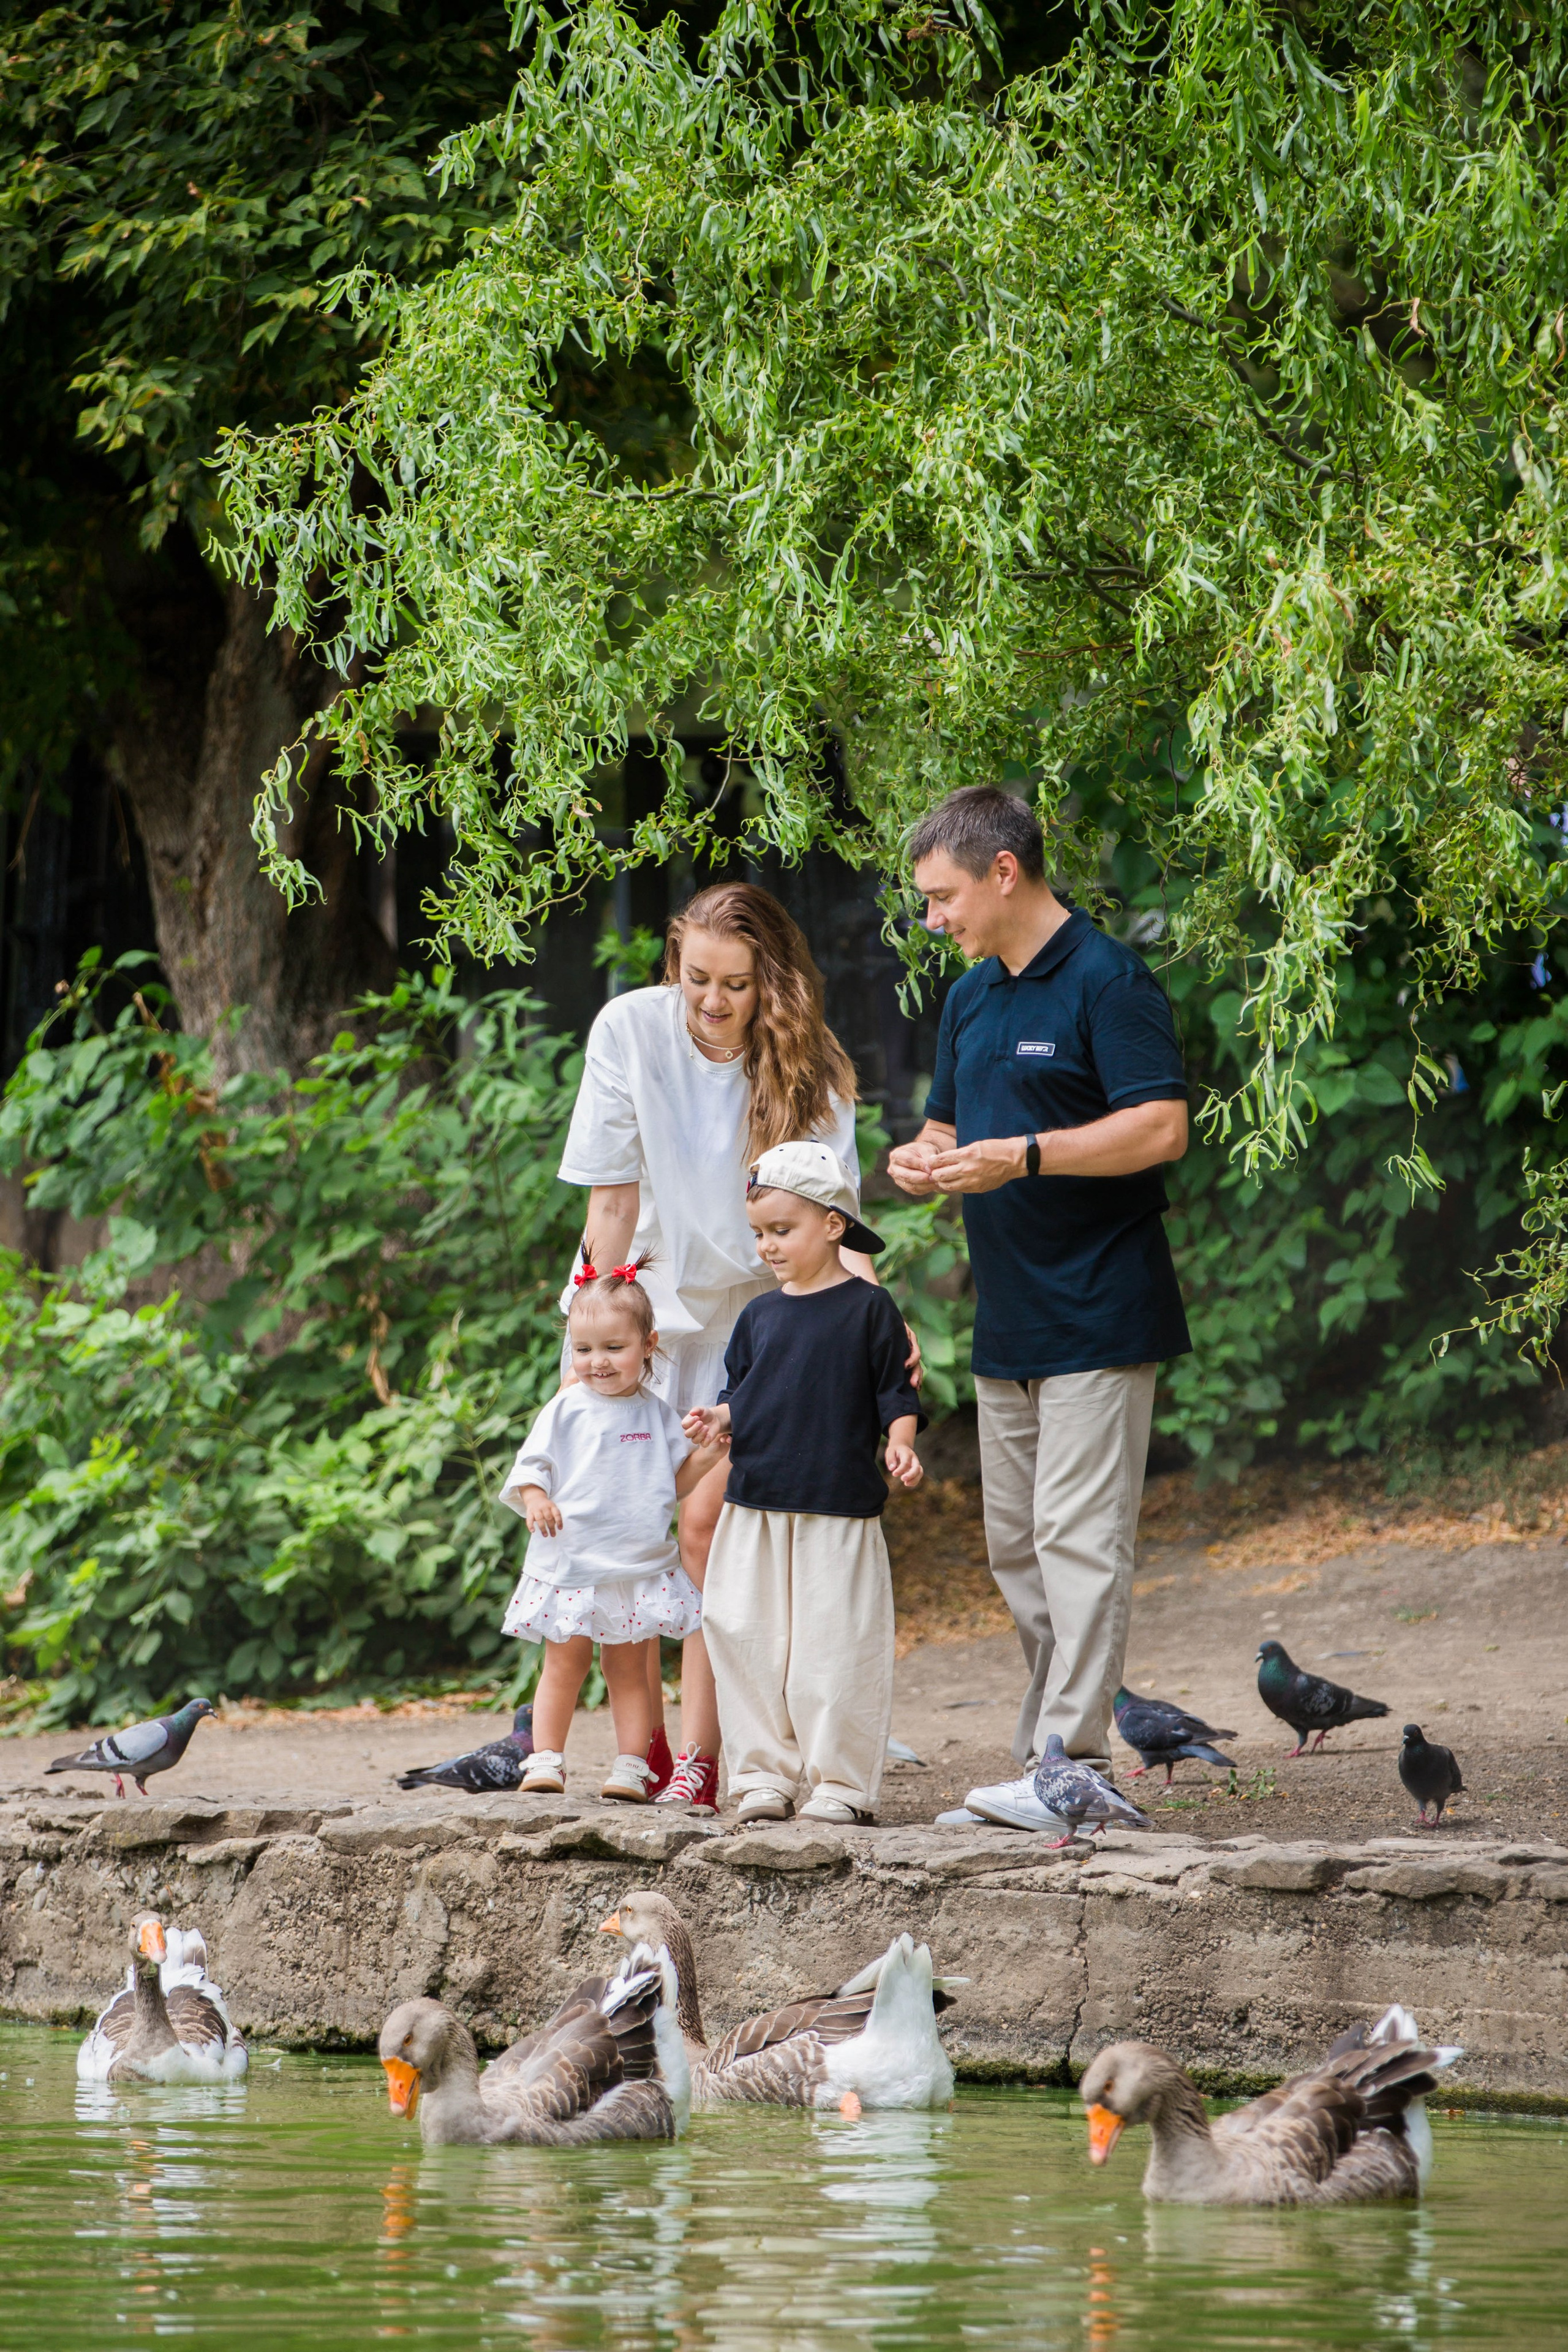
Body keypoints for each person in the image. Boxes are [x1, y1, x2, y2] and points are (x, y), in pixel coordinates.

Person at [555, 881, 918, 1811]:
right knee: (621, 1519)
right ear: (674, 961)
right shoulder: (630, 1031)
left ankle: (712, 1757)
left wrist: (883, 1322)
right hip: (640, 1300)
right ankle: (644, 1747)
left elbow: (830, 1224)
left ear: (774, 987)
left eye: (736, 986)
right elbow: (610, 1202)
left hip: (761, 1317)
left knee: (711, 1532)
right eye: (694, 977)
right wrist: (589, 1347)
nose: (711, 1002)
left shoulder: (809, 1071)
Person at [888, 786, 1190, 1833]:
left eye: (942, 898)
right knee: (1017, 1547)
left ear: (1004, 871)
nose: (934, 920)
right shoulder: (972, 998)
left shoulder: (1110, 980)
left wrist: (1024, 1155)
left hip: (1103, 1308)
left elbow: (1159, 1130)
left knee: (1077, 1539)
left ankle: (1072, 1758)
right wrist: (922, 1163)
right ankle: (1047, 1771)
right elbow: (945, 1130)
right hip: (1007, 1318)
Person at [685, 1142, 924, 1825]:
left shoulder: (869, 1308)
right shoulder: (758, 1317)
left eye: (781, 1231)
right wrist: (717, 1418)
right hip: (755, 1503)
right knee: (746, 1637)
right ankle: (762, 1776)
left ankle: (840, 1786)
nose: (766, 1246)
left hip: (837, 1508)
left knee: (835, 1648)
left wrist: (901, 1446)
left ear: (833, 1224)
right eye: (758, 1233)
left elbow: (895, 1393)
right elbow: (746, 1397)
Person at [499, 1256, 725, 1801]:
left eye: (612, 1349)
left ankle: (632, 1766)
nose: (596, 1362)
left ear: (648, 1346)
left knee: (628, 1668)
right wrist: (536, 1499)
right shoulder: (566, 1409)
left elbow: (673, 1481)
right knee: (565, 1661)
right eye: (583, 1349)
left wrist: (709, 1456)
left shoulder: (656, 1413)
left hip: (634, 1564)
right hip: (574, 1562)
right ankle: (545, 1759)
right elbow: (531, 1467)